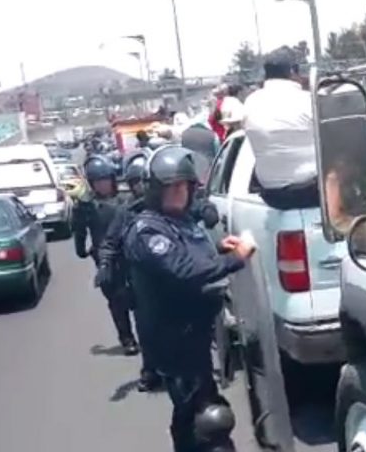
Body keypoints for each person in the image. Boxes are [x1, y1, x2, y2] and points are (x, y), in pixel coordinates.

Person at [123, 146, 255, 452]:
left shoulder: (178, 222)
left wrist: (219, 248)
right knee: (209, 418)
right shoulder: (147, 230)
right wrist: (235, 258)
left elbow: (190, 253)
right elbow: (182, 269)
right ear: (156, 190)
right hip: (174, 340)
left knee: (190, 413)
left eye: (184, 187)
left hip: (194, 334)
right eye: (172, 188)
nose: (179, 194)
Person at [99, 151, 162, 392]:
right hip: (140, 280)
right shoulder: (126, 212)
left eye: (142, 182)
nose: (139, 188)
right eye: (134, 183)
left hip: (172, 274)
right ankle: (151, 371)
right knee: (146, 327)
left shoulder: (168, 204)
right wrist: (105, 264)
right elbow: (110, 242)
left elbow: (195, 215)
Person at [73, 155, 139, 356]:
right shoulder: (86, 206)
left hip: (130, 254)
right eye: (99, 182)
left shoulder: (126, 200)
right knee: (116, 301)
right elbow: (79, 230)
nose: (104, 185)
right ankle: (127, 338)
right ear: (92, 184)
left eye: (106, 180)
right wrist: (81, 249)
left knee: (140, 297)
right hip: (105, 259)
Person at [243, 46, 319, 210]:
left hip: (271, 195)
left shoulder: (250, 102)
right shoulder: (308, 101)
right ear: (292, 72)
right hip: (310, 192)